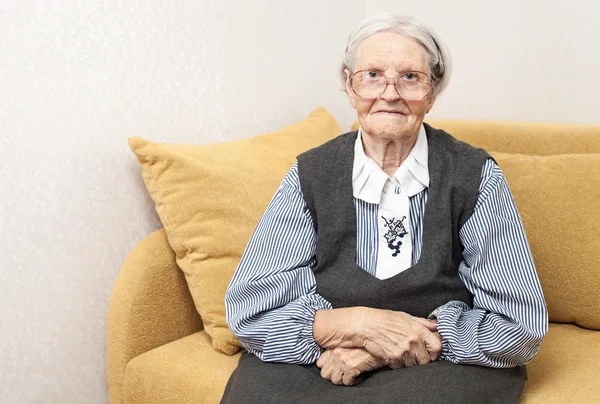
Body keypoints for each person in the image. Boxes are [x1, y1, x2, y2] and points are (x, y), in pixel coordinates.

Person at [222, 12, 548, 404]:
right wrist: (357, 325)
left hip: (441, 363)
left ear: (432, 91)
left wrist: (379, 348)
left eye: (410, 77)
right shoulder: (310, 174)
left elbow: (520, 326)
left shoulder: (475, 176)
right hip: (321, 358)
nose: (389, 93)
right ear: (349, 84)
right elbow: (250, 310)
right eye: (372, 75)